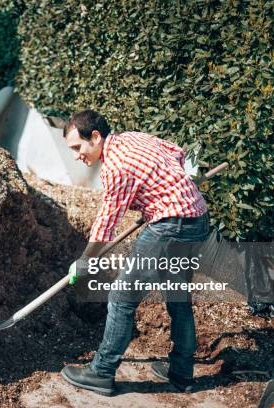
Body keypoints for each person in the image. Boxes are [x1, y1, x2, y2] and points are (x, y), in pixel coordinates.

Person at [60, 109, 210, 396]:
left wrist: (85, 260)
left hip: (170, 227)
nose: (77, 155)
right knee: (178, 298)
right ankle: (181, 374)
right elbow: (177, 152)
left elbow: (107, 220)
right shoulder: (131, 138)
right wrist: (160, 194)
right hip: (197, 219)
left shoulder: (115, 166)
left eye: (78, 148)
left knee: (121, 297)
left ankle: (101, 373)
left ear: (95, 137)